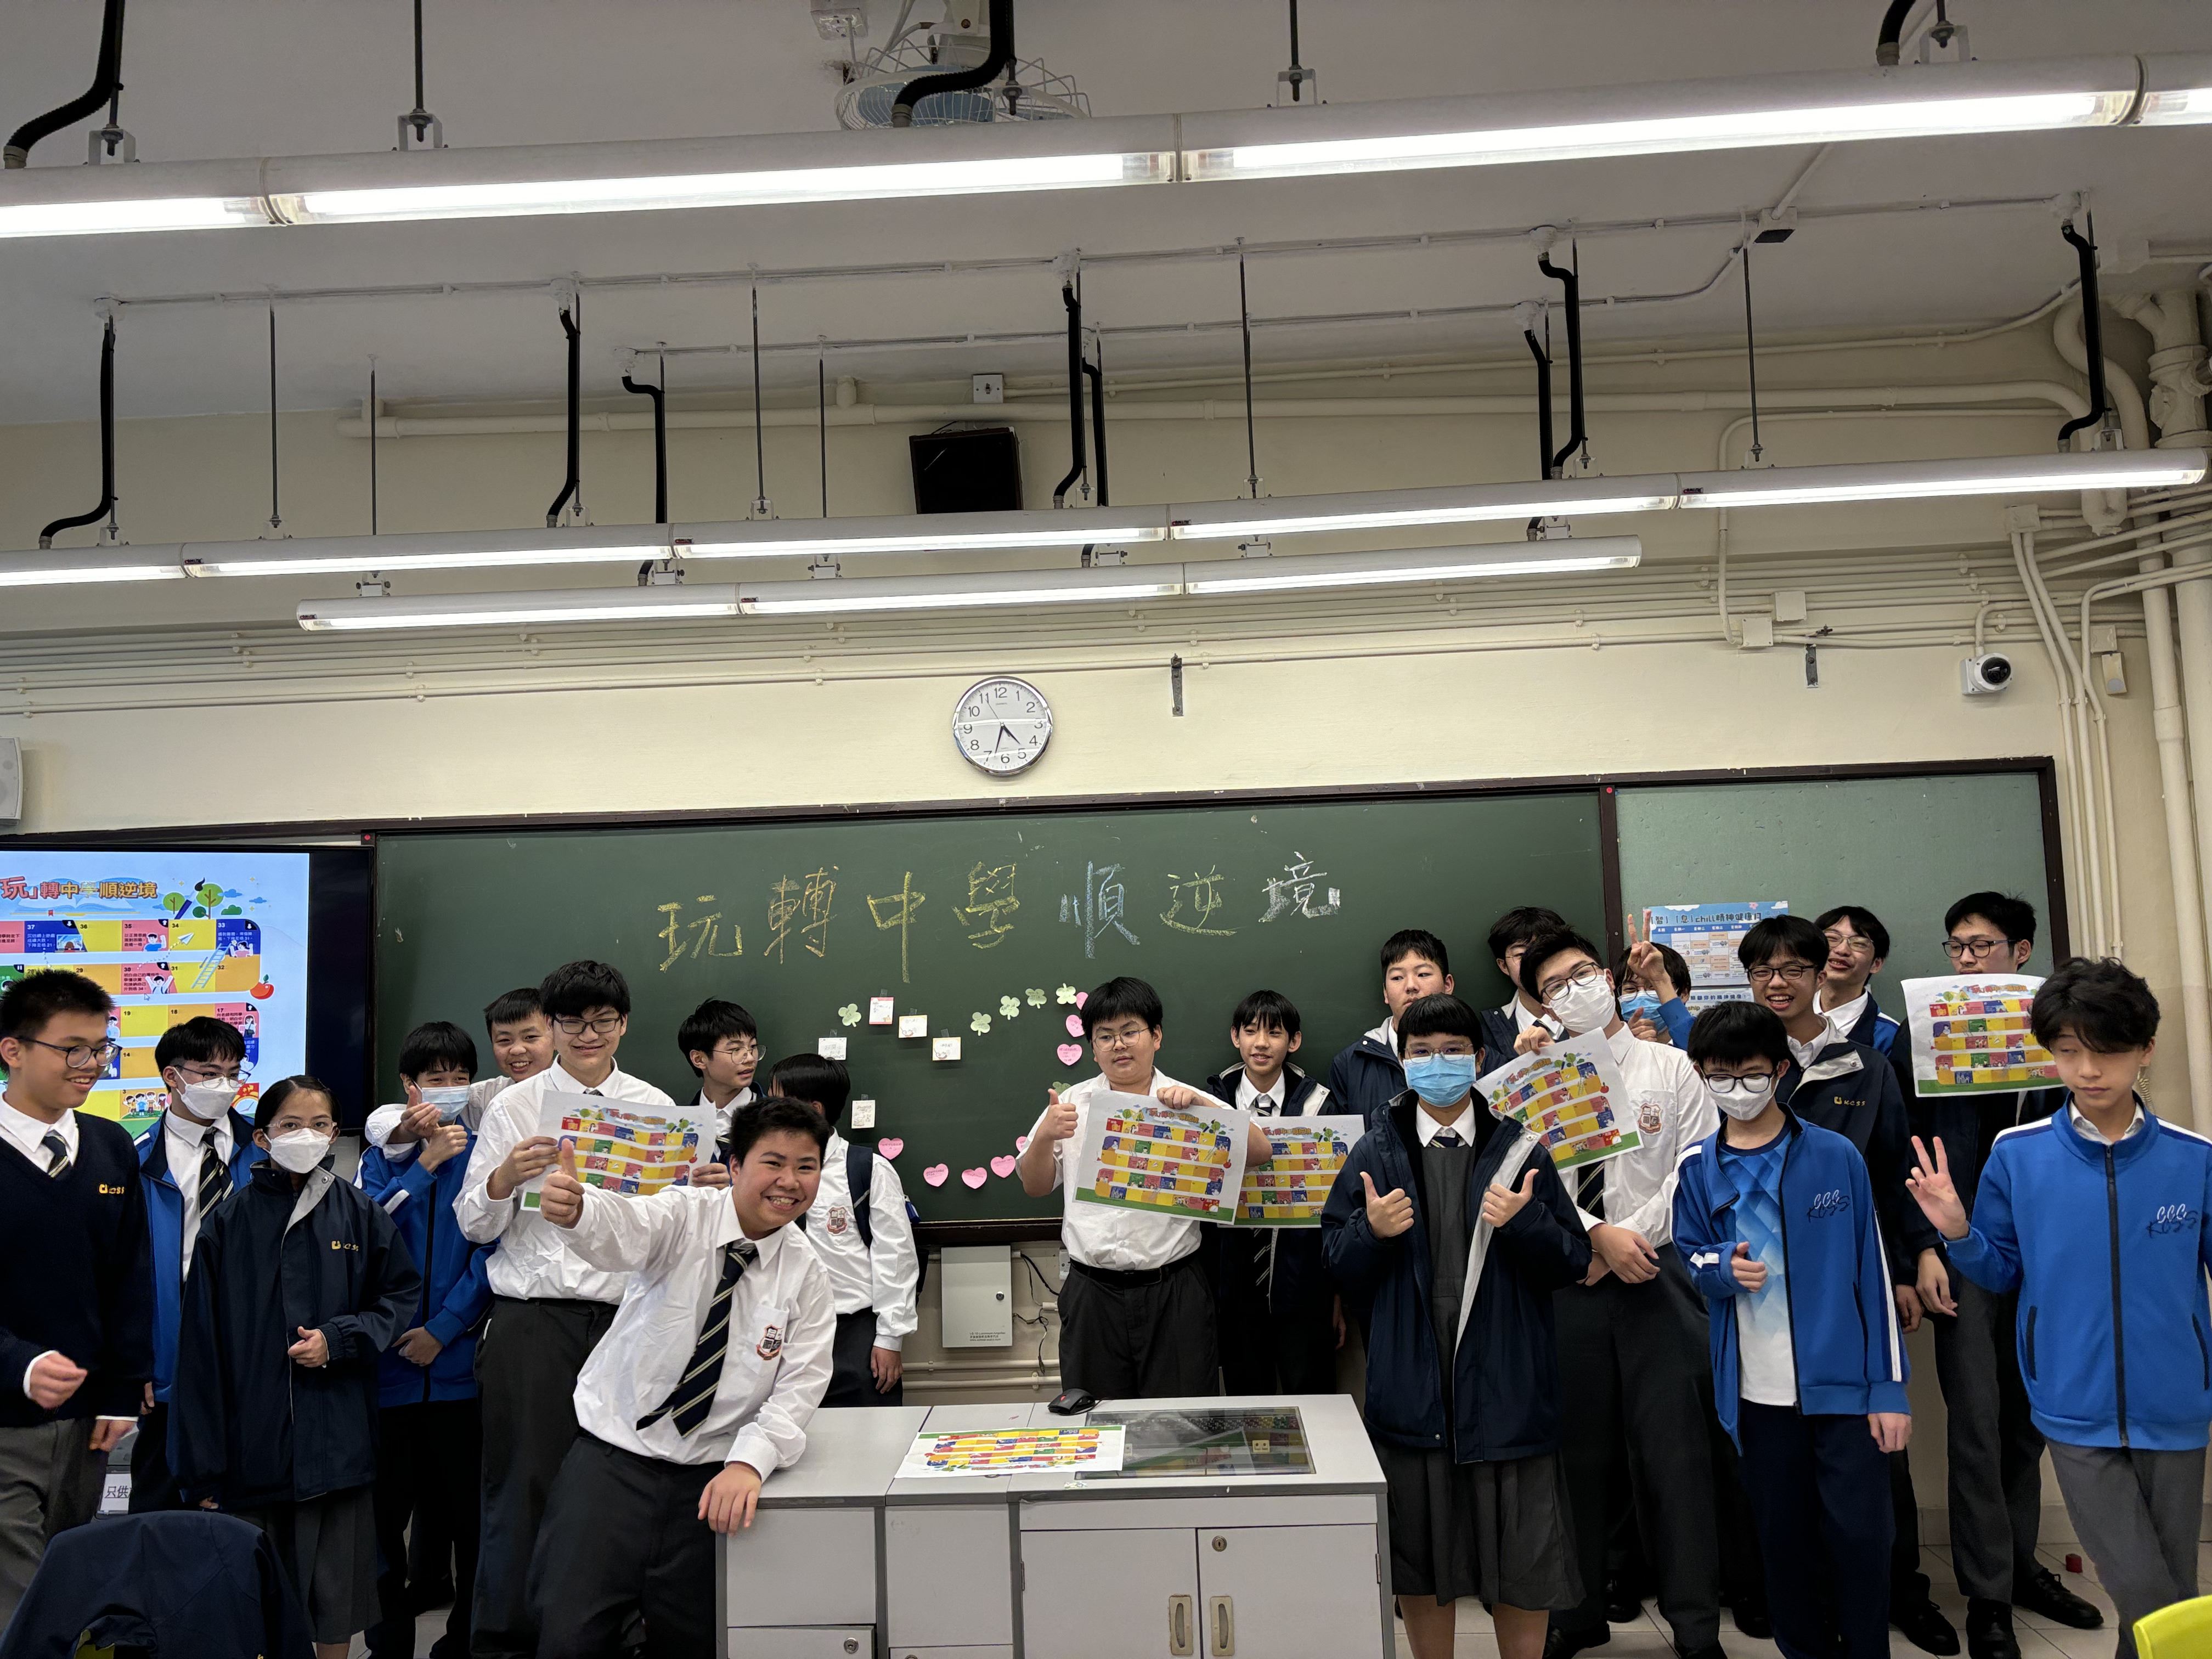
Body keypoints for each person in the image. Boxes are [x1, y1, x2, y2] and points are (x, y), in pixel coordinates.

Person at [1908, 956, 2208, 1659]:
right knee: (2145, 1588)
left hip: (2177, 1401)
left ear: (2146, 1050)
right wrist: (1958, 1232)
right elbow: (2001, 1271)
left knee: (2172, 1579)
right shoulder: (2020, 1154)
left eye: (2108, 1051)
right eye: (2069, 1052)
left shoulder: (2195, 1159)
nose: (2088, 1070)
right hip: (2071, 1398)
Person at [1322, 991, 1588, 1659]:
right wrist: (1370, 1232)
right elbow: (1337, 1265)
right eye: (1421, 1052)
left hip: (1507, 1384)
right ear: (1402, 1061)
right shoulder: (1373, 1152)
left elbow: (1572, 1261)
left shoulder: (1522, 1150)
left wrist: (1527, 1224)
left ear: (1478, 1058)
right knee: (1420, 1553)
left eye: (1452, 1051)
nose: (1437, 1063)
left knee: (1522, 1552)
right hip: (1413, 1384)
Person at [528, 1096, 836, 1658]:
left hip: (714, 1482)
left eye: (806, 1167)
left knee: (697, 1638)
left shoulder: (806, 1271)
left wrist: (750, 1462)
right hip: (612, 1465)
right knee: (571, 1634)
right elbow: (625, 1227)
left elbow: (801, 1384)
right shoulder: (685, 1215)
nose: (789, 1182)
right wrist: (578, 1211)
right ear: (736, 1166)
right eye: (773, 1163)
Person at [1737, 911, 1954, 1655]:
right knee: (1779, 1482)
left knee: (1873, 1468)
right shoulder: (1735, 1066)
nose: (1778, 983)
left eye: (1793, 969)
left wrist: (1917, 1258)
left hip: (1851, 1290)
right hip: (1762, 1297)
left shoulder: (1864, 1065)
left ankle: (1896, 1601)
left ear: (1819, 972)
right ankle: (1794, 1612)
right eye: (1763, 971)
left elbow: (1895, 1170)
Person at [1673, 1002, 1911, 1659]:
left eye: (1752, 1074)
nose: (1738, 1089)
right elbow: (1690, 1256)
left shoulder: (1835, 1156)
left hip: (1847, 1395)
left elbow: (1872, 1272)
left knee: (1863, 1541)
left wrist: (1889, 1388)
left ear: (1781, 1071)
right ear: (1701, 1075)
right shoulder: (1696, 1167)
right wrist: (1722, 1267)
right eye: (1721, 1077)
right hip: (1756, 1398)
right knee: (1784, 1546)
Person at [1511, 931, 1724, 1659]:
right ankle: (1575, 1617)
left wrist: (1630, 1238)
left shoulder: (1673, 1066)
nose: (1572, 990)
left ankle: (1696, 1626)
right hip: (1573, 1278)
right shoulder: (1535, 1080)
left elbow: (1696, 1167)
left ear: (1607, 977)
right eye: (1554, 987)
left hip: (1659, 1274)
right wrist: (1597, 1237)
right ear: (1542, 1005)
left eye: (1581, 974)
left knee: (1677, 1458)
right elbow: (1529, 1181)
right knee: (1576, 1457)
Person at [1896, 893, 2099, 1658]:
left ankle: (2020, 1567)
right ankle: (1988, 1598)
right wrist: (1924, 1246)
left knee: (2029, 1422)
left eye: (1981, 946)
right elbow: (1900, 1146)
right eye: (1956, 947)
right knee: (1977, 1425)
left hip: (2050, 1253)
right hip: (1963, 1252)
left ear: (2021, 952)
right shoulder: (1926, 1028)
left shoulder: (2064, 1030)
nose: (1966, 960)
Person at [453, 960, 675, 1659]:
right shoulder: (515, 1106)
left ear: (624, 1024)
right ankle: (507, 1644)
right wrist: (502, 1178)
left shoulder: (653, 1104)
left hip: (627, 1319)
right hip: (535, 1322)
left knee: (626, 1485)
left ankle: (614, 1639)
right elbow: (472, 1225)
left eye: (602, 1021)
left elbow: (669, 1227)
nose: (588, 1035)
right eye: (572, 1022)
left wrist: (696, 1188)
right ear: (551, 1027)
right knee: (522, 1487)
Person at [172, 1075, 422, 1659]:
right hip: (253, 1449)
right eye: (290, 1125)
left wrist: (340, 1339)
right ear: (262, 1137)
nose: (306, 1136)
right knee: (257, 1600)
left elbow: (399, 1296)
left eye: (319, 1125)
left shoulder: (359, 1212)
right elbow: (201, 1351)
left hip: (337, 1445)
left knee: (336, 1601)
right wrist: (202, 1470)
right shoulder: (228, 1223)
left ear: (335, 1134)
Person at [1016, 975, 1271, 1398]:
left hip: (1174, 1290)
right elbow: (1035, 1186)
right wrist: (1044, 1137)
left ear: (1156, 1037)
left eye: (1130, 1031)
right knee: (1096, 1420)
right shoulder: (1070, 1105)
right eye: (1105, 1036)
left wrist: (1202, 1106)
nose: (1119, 1045)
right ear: (1093, 1048)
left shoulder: (1186, 1101)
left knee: (1182, 1423)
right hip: (1092, 1293)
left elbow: (1260, 1151)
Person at [0, 969, 152, 1630]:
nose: (91, 1065)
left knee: (66, 1594)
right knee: (17, 1606)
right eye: (72, 1049)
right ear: (13, 1050)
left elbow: (129, 1277)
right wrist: (21, 1364)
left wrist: (120, 1393)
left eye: (100, 1048)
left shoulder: (111, 1145)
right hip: (5, 1421)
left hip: (88, 1424)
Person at [360, 1022, 496, 1659]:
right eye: (434, 1079)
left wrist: (442, 1331)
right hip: (388, 1372)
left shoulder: (487, 1152)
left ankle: (463, 1641)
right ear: (408, 1087)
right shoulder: (379, 1158)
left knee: (470, 1522)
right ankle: (387, 1644)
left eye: (459, 1078)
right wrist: (424, 1166)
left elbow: (492, 1253)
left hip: (459, 1369)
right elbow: (368, 1237)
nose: (448, 1089)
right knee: (384, 1524)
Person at [130, 1014, 261, 1514]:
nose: (224, 1086)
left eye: (233, 1073)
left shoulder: (266, 1150)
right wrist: (134, 1361)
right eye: (209, 1073)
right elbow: (122, 1272)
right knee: (161, 1495)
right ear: (173, 1076)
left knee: (248, 1497)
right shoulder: (135, 1160)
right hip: (174, 1331)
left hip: (251, 1329)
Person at [1200, 989, 1344, 1396]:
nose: (1261, 1043)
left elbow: (1337, 1209)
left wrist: (1336, 1295)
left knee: (1313, 1398)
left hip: (1304, 1286)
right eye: (1251, 1031)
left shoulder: (1321, 1108)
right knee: (1246, 1404)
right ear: (1235, 1037)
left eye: (1275, 1033)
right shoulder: (1208, 1104)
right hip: (1233, 1287)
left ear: (1293, 1042)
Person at [765, 1052, 918, 1407]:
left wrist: (890, 1339)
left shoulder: (867, 1169)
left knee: (869, 1433)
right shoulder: (764, 1170)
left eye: (776, 1102)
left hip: (854, 1332)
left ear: (813, 1110)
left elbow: (895, 1257)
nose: (766, 1111)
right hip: (783, 1330)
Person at [363, 987, 552, 1157]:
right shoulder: (488, 1097)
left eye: (531, 1037)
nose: (517, 1050)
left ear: (556, 1035)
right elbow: (379, 1122)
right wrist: (408, 1130)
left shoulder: (571, 1089)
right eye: (504, 1041)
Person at [1329, 929, 1459, 1121]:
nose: (1411, 986)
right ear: (1386, 993)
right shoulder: (1350, 1065)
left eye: (1423, 974)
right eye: (1397, 978)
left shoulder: (1477, 1056)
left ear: (1447, 985)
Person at [1480, 908, 1569, 1062]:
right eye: (1521, 955)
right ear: (1504, 966)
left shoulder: (1590, 1015)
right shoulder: (1487, 1029)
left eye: (1545, 951)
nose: (1533, 961)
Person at [1813, 905, 1904, 1056]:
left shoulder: (1891, 1038)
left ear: (1876, 964)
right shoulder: (1786, 1019)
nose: (1842, 950)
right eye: (1832, 939)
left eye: (1859, 944)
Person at [679, 999, 761, 1150]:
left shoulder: (779, 1120)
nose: (750, 1058)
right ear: (699, 1059)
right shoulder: (678, 1126)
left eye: (753, 1047)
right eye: (735, 1050)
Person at [1617, 913, 1694, 1048]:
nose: (1642, 997)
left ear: (1684, 993)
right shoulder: (1612, 1048)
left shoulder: (1706, 1040)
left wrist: (1659, 979)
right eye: (1630, 989)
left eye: (1653, 987)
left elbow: (1695, 1052)